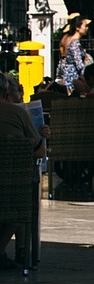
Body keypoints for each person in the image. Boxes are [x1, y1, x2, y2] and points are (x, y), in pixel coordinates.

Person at [0, 71, 48, 269]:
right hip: (11, 187)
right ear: (5, 92)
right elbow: (39, 151)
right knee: (21, 203)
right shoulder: (17, 113)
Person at [55, 14, 90, 94]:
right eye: (85, 26)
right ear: (77, 28)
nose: (87, 28)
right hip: (73, 76)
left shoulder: (69, 39)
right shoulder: (75, 43)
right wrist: (86, 76)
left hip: (69, 73)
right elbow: (79, 63)